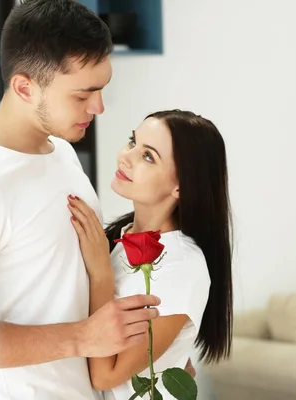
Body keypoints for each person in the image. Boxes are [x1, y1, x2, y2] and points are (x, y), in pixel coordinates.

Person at [0, 1, 160, 399]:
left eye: (102, 89)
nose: (98, 108)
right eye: (83, 95)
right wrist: (82, 337)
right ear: (24, 87)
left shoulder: (62, 153)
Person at [66, 110, 234, 399]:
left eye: (148, 157)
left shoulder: (181, 268)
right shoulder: (119, 238)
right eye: (133, 142)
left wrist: (101, 274)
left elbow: (106, 376)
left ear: (181, 185)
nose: (125, 156)